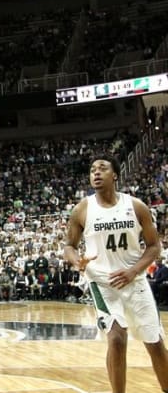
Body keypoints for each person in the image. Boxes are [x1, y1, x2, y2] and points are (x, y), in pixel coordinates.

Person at [64, 155, 168, 393]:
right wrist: (77, 261)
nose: (96, 173)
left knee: (155, 344)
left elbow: (154, 246)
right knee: (117, 339)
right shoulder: (82, 209)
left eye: (102, 168)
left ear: (115, 175)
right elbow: (69, 246)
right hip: (102, 283)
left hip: (135, 281)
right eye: (92, 170)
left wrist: (133, 271)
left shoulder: (135, 206)